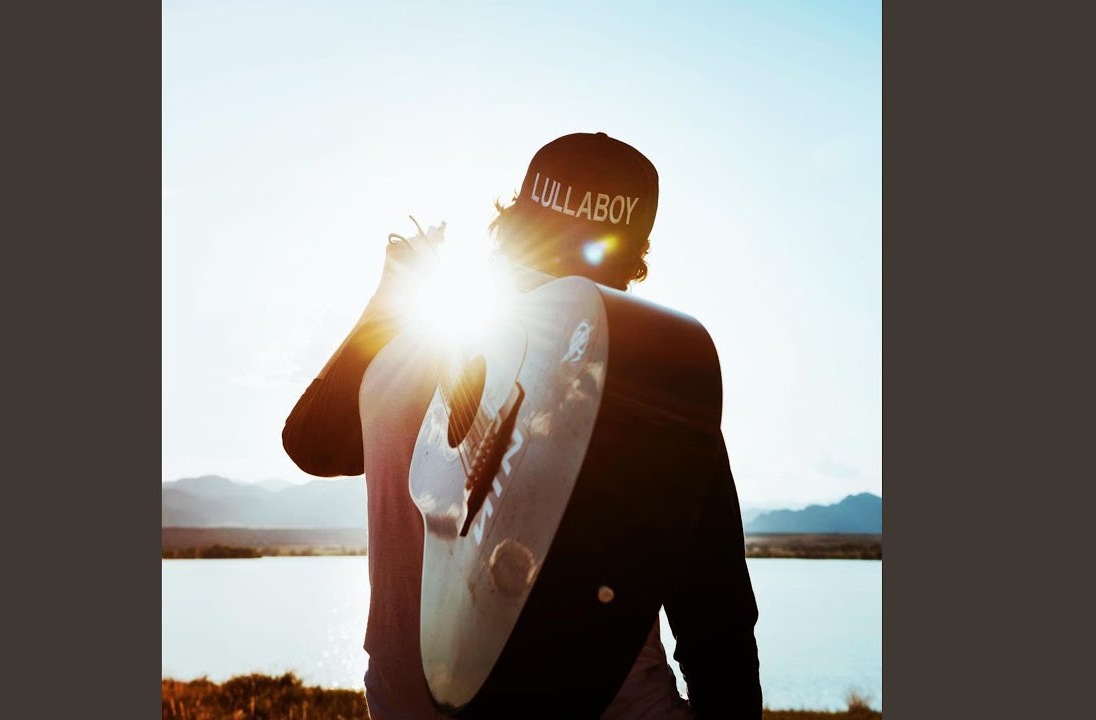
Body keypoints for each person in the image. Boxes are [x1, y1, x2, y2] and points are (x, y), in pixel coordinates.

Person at [283, 132, 762, 719]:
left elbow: (312, 444)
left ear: (511, 223)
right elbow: (715, 612)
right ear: (632, 262)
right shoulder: (647, 380)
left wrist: (389, 300)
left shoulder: (410, 344)